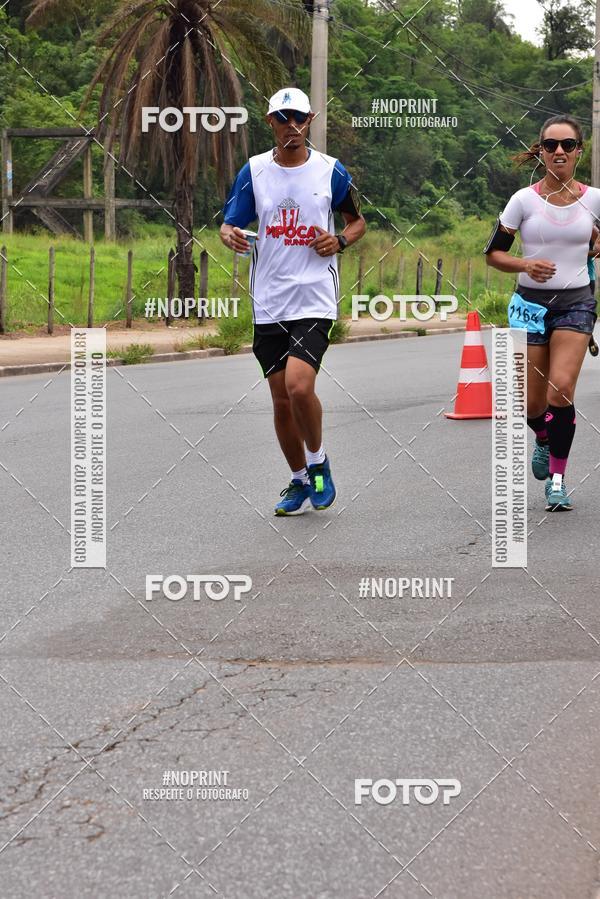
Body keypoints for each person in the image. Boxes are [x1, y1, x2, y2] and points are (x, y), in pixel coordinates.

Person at [219, 87, 366, 515]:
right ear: (270, 123)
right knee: (280, 398)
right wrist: (229, 235)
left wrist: (338, 240)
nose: (292, 126)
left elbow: (358, 222)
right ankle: (299, 479)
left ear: (311, 120)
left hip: (315, 297)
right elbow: (231, 224)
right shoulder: (254, 172)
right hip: (268, 301)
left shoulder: (331, 171)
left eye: (299, 118)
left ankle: (319, 464)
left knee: (300, 387)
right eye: (283, 118)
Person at [485, 114, 600, 511]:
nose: (559, 152)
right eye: (551, 145)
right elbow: (493, 255)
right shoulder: (523, 200)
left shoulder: (595, 199)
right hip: (529, 307)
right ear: (542, 152)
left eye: (567, 145)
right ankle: (543, 436)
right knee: (533, 406)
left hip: (577, 304)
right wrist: (525, 265)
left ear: (579, 151)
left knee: (560, 389)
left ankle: (557, 478)